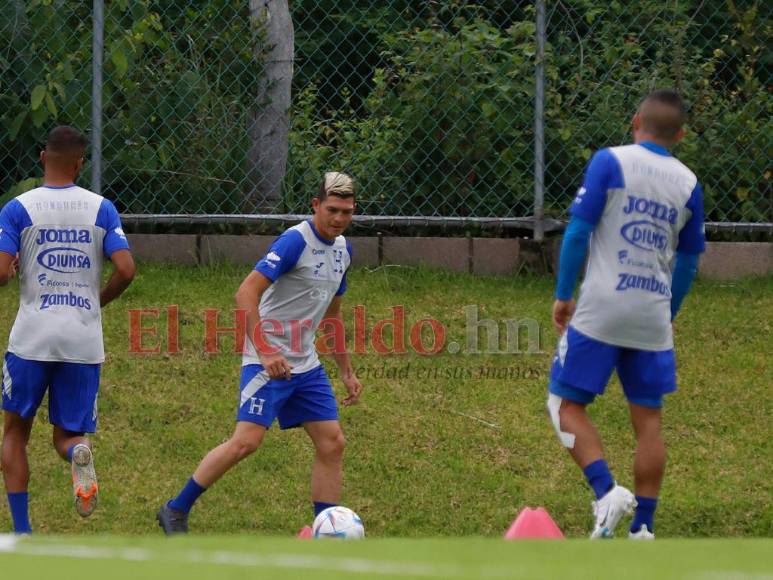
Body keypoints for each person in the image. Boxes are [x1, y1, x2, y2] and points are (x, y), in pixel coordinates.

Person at [157, 172, 363, 535]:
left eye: (346, 211)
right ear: (315, 206)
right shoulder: (293, 242)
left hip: (306, 365)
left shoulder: (343, 250)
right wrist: (266, 352)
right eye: (332, 209)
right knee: (246, 442)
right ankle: (175, 509)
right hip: (265, 362)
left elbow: (332, 317)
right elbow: (245, 293)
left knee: (332, 442)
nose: (338, 218)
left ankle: (323, 529)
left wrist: (346, 370)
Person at [547, 89, 705, 540]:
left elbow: (579, 230)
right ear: (681, 134)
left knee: (563, 402)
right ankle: (643, 528)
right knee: (649, 421)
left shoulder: (610, 161)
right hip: (652, 315)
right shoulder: (689, 183)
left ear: (636, 121)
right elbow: (690, 261)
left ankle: (606, 492)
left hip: (603, 308)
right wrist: (668, 310)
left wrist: (563, 294)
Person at [0, 125, 135, 533]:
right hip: (82, 340)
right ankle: (79, 452)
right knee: (68, 435)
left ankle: (23, 532)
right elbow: (127, 269)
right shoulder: (102, 208)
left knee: (14, 435)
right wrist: (98, 301)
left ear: (43, 157)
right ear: (80, 163)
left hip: (32, 338)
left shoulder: (18, 209)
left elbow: (1, 274)